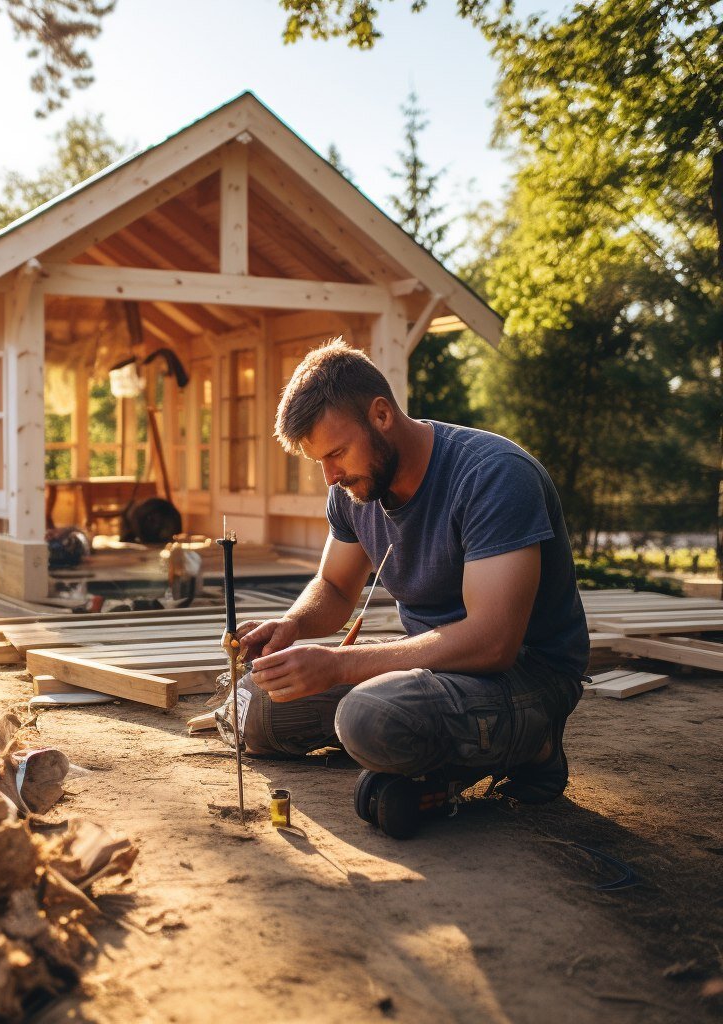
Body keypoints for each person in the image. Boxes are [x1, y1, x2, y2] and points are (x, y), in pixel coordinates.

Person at [226, 339, 589, 837]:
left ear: (380, 416)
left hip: (526, 675)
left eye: (336, 454)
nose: (331, 477)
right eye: (319, 463)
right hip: (426, 668)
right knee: (259, 708)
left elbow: (493, 642)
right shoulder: (355, 490)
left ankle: (537, 744)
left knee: (367, 718)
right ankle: (430, 752)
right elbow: (333, 586)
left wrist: (338, 666)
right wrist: (292, 625)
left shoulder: (493, 476)